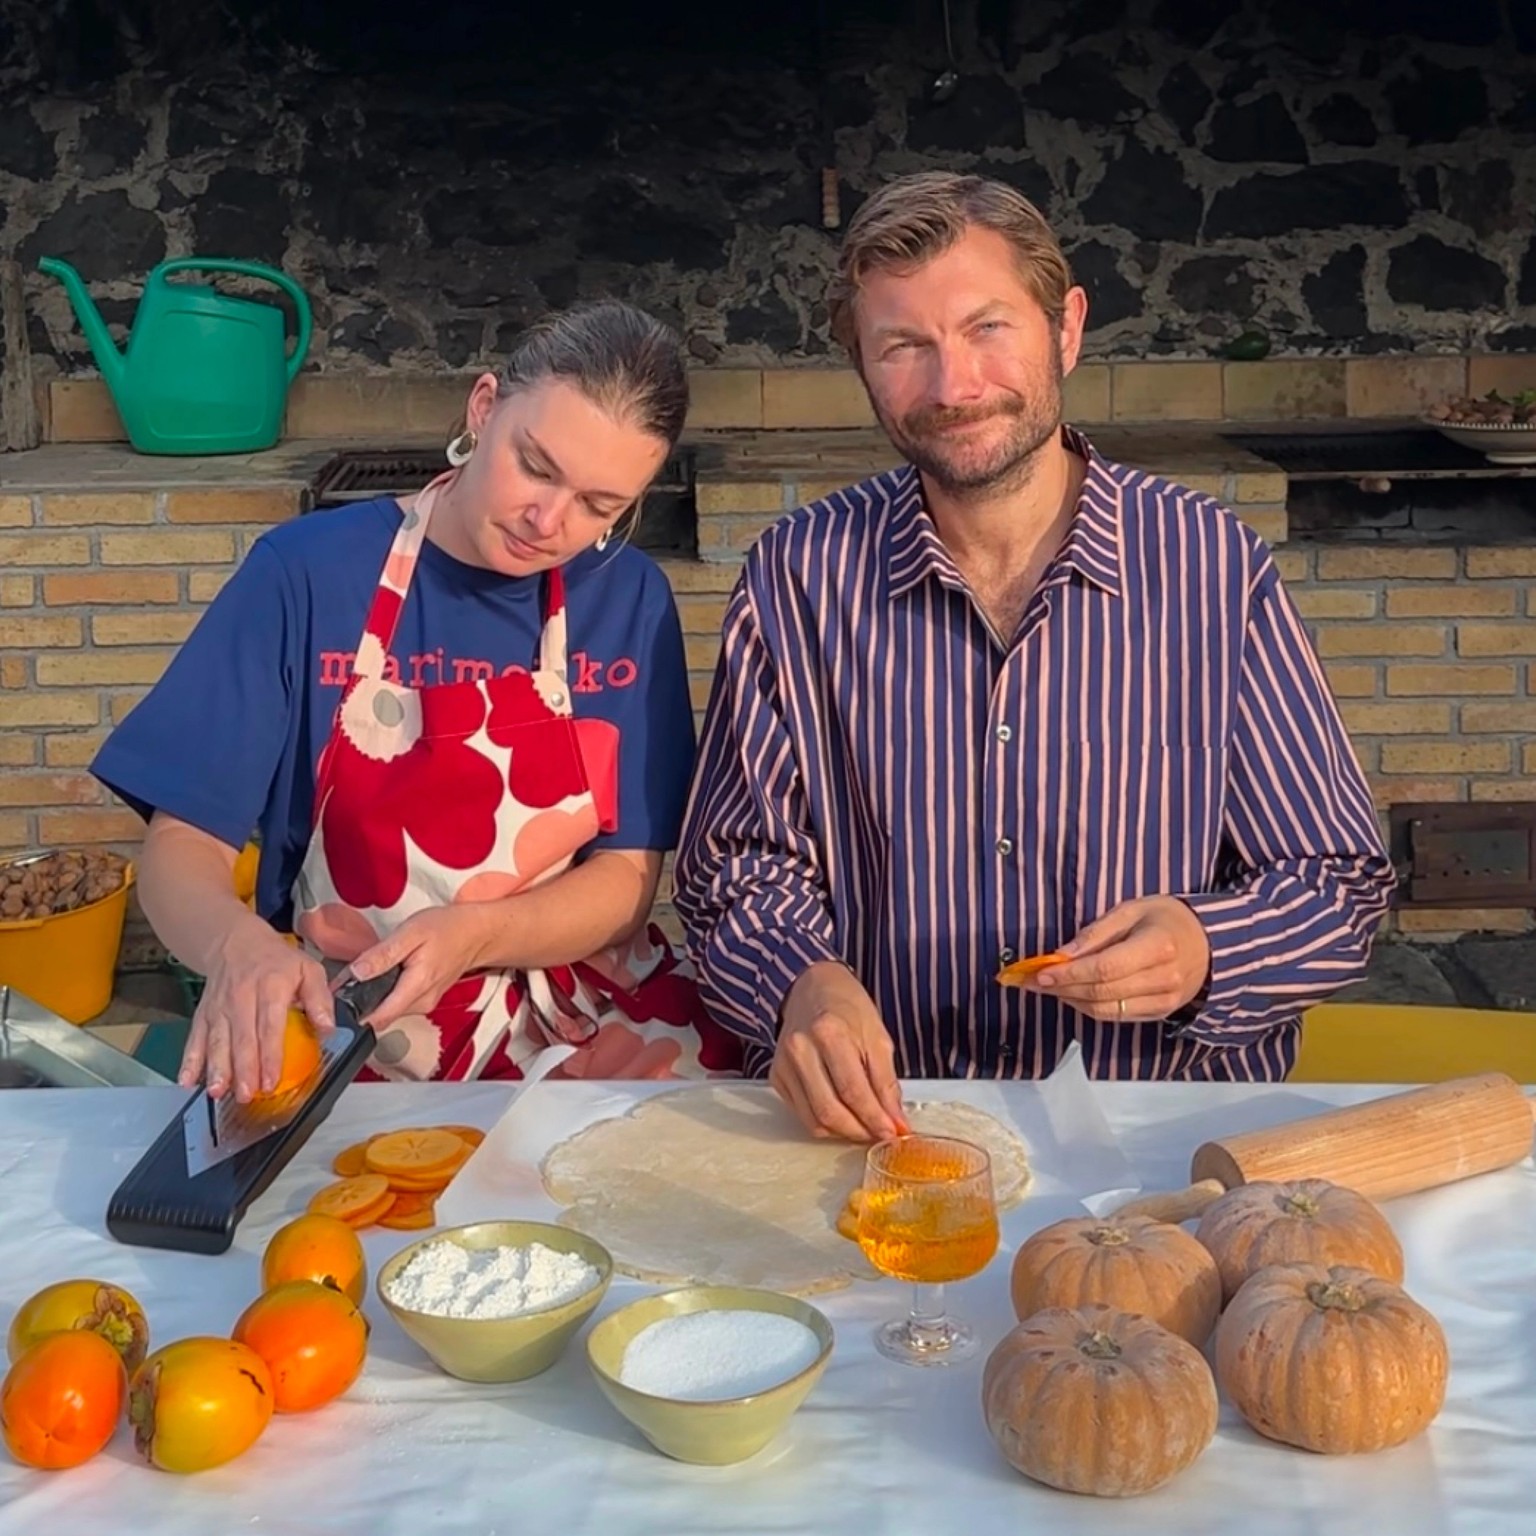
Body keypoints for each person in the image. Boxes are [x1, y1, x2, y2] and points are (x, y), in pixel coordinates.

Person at [673, 171, 1396, 1142]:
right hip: (891, 1137)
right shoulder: (796, 580)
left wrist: (1206, 949)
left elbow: (1337, 880)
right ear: (862, 365)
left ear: (1066, 328)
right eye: (904, 346)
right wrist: (799, 982)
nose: (953, 386)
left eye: (987, 328)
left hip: (1166, 1139)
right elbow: (734, 870)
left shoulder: (1212, 568)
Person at [92, 300, 741, 1101]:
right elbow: (184, 842)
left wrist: (478, 935)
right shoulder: (306, 574)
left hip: (583, 1024)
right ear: (484, 408)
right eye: (536, 467)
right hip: (355, 1019)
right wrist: (235, 945)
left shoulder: (627, 596)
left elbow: (627, 877)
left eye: (599, 506)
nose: (548, 520)